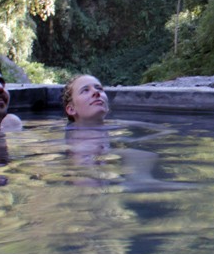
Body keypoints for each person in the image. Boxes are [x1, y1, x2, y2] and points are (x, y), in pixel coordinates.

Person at [62, 74, 191, 190]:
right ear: (71, 109)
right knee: (87, 150)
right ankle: (93, 191)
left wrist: (139, 140)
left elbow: (166, 131)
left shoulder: (116, 124)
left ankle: (140, 180)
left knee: (142, 154)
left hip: (108, 158)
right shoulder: (77, 134)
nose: (96, 92)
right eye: (85, 90)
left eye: (99, 88)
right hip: (86, 165)